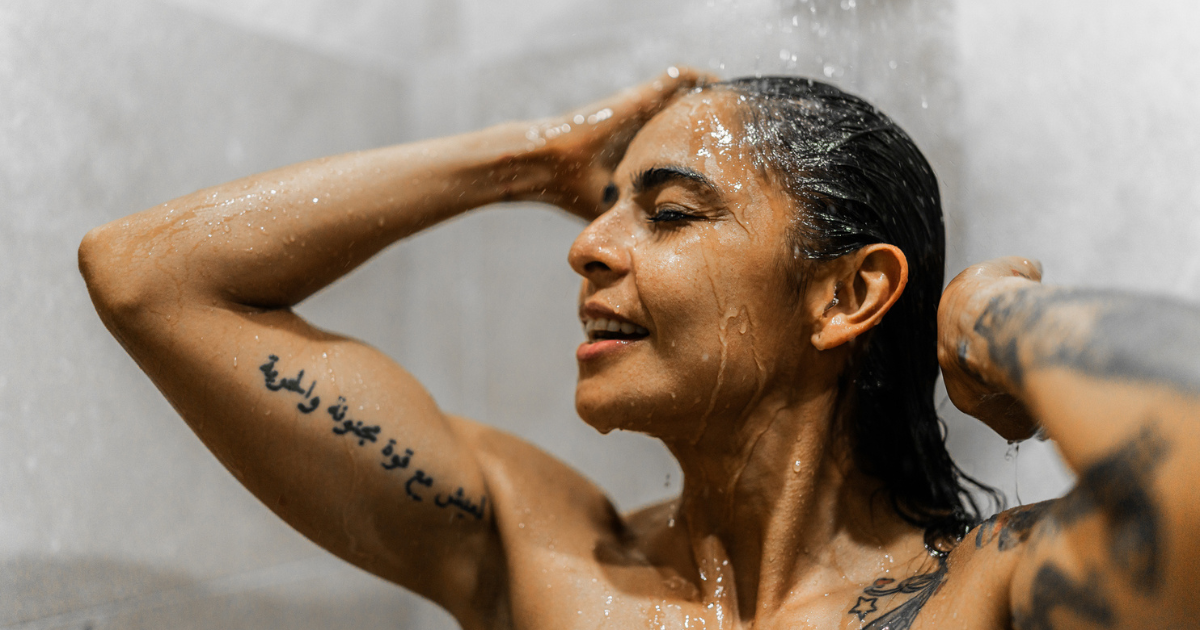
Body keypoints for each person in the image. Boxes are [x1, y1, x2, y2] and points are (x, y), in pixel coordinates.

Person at [78, 69, 1200, 629]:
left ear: (850, 294)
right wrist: (528, 161)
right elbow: (150, 277)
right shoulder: (546, 557)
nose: (588, 250)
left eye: (668, 212)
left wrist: (985, 316)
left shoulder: (988, 593)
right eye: (600, 210)